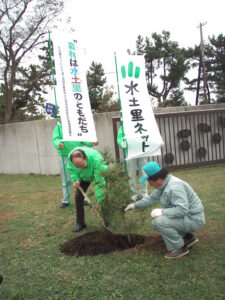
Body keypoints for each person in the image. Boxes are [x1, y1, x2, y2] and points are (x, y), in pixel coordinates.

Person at [124, 161, 205, 259]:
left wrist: (163, 212)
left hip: (194, 219)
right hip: (188, 217)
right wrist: (134, 205)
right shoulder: (164, 185)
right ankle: (188, 238)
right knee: (161, 219)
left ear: (156, 178)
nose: (149, 184)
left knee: (159, 222)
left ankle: (179, 248)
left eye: (149, 181)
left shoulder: (174, 187)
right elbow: (151, 199)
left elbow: (182, 210)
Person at [52, 122, 98, 208]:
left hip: (79, 156)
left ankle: (83, 198)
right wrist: (58, 144)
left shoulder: (76, 126)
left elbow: (83, 138)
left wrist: (91, 142)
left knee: (82, 178)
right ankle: (66, 200)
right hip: (65, 156)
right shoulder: (58, 128)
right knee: (66, 180)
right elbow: (55, 139)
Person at [67, 146, 109, 233]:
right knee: (78, 197)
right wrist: (76, 180)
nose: (80, 168)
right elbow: (72, 171)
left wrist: (99, 201)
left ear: (85, 158)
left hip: (98, 173)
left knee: (104, 198)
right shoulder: (71, 159)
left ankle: (107, 222)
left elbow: (99, 182)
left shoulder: (96, 160)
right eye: (78, 167)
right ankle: (80, 223)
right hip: (83, 177)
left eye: (82, 165)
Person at [117, 126, 148, 201]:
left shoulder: (141, 123)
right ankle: (133, 193)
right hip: (130, 151)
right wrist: (121, 143)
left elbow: (147, 132)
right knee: (131, 173)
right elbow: (120, 137)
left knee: (143, 172)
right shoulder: (124, 126)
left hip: (141, 149)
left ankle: (144, 192)